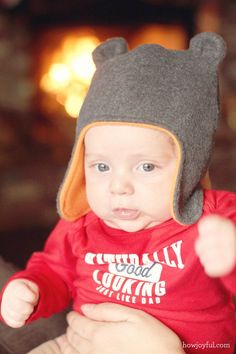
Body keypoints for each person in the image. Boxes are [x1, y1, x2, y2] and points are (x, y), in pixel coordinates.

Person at [0, 32, 235, 354]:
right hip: (77, 345)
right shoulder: (83, 222)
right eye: (101, 167)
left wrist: (231, 258)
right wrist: (32, 289)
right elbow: (55, 270)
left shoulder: (219, 219)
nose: (118, 187)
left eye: (146, 167)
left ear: (189, 165)